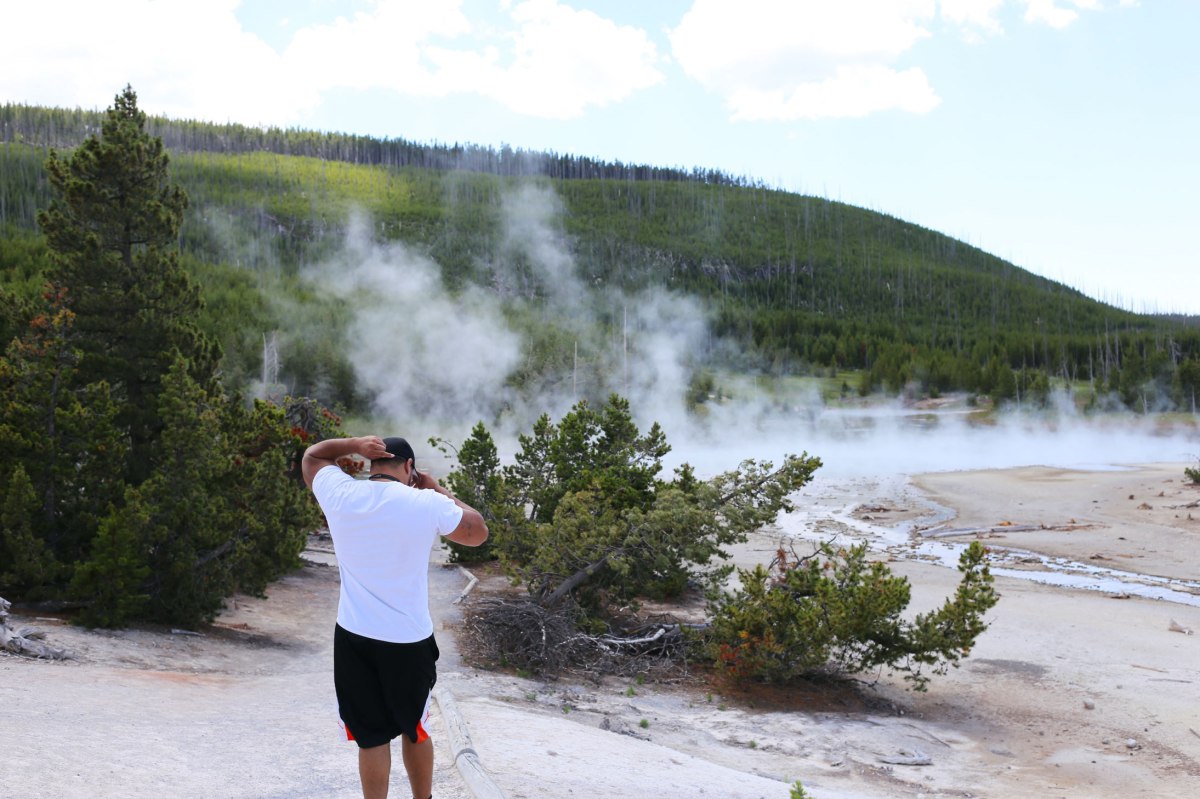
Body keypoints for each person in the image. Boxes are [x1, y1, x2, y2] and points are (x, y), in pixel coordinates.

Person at [303, 434, 488, 799]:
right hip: (407, 639)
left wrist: (354, 443)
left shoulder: (342, 494)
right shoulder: (425, 502)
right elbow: (477, 532)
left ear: (372, 464)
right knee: (414, 729)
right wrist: (437, 488)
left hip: (354, 636)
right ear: (409, 467)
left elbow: (312, 456)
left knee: (370, 738)